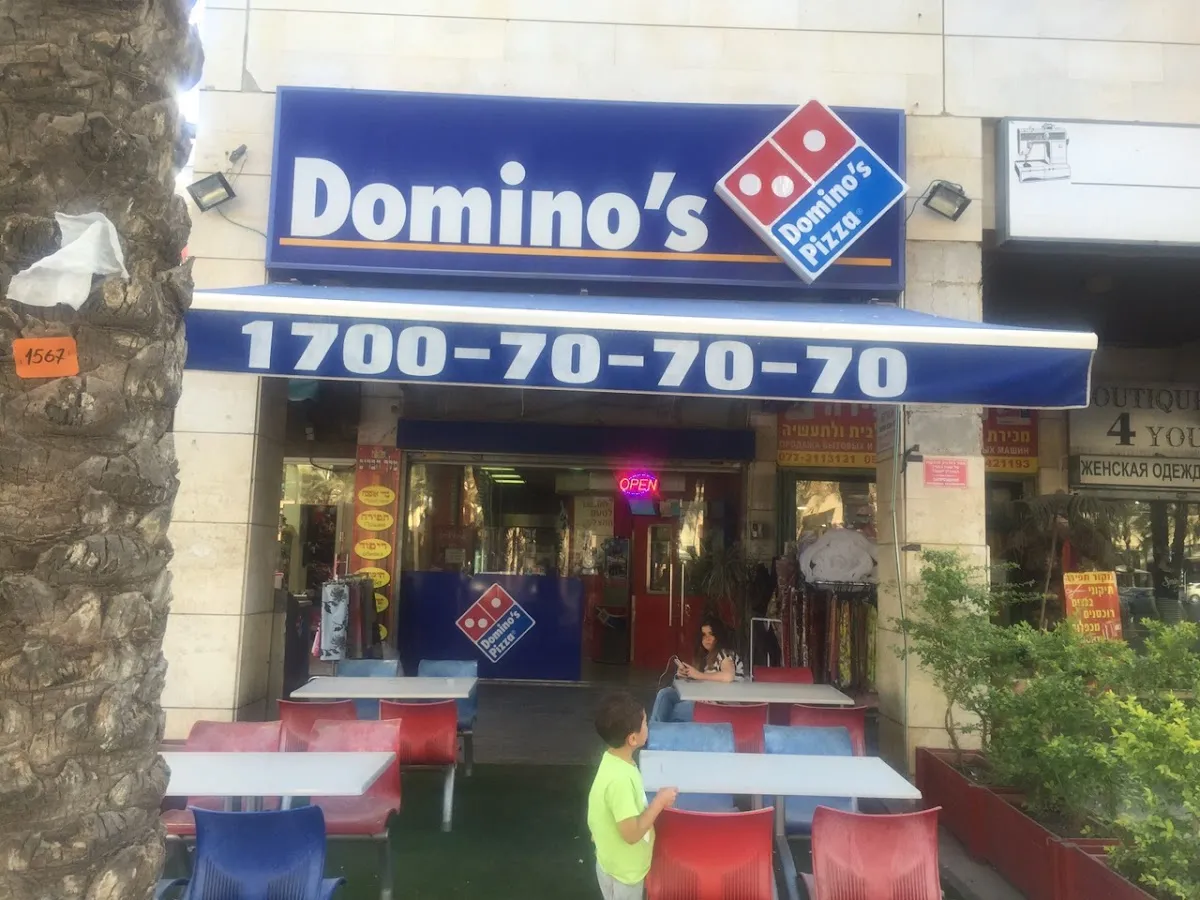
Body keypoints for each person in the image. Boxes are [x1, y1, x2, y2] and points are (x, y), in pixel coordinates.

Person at [587, 692, 678, 899]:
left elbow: (599, 806)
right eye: (645, 722)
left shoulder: (611, 761)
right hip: (625, 872)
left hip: (610, 860)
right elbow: (631, 834)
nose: (648, 725)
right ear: (633, 739)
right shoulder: (621, 780)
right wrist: (659, 802)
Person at [649, 618, 746, 723]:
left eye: (711, 634)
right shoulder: (706, 658)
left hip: (721, 707)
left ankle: (655, 730)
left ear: (719, 636)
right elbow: (702, 683)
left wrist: (698, 675)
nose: (707, 638)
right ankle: (654, 729)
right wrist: (684, 675)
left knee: (673, 711)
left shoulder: (725, 654)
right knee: (665, 694)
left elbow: (728, 676)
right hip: (704, 701)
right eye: (704, 635)